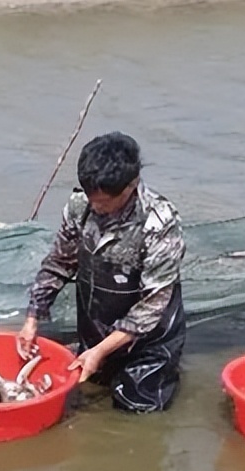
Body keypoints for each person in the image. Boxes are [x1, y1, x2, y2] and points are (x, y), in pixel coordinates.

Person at [18, 131, 186, 413]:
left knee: (137, 412)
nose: (96, 207)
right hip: (97, 325)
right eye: (91, 197)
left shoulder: (159, 223)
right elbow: (59, 262)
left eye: (105, 202)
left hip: (148, 338)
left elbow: (152, 306)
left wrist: (101, 351)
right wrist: (33, 318)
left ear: (131, 185)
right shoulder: (80, 206)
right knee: (86, 392)